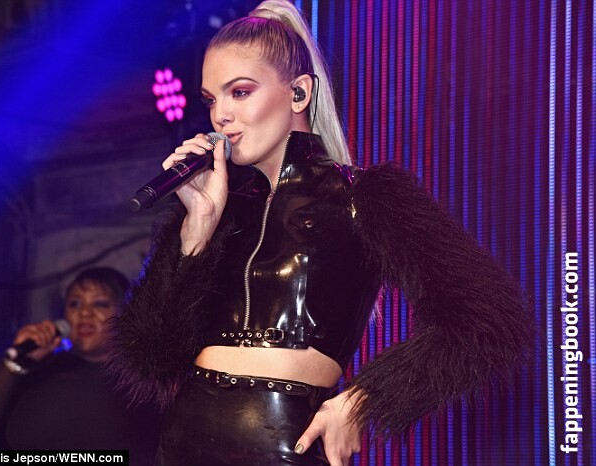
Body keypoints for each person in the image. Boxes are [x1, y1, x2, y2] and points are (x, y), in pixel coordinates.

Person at [110, 1, 532, 465]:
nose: (221, 116)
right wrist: (197, 230)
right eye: (212, 100)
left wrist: (364, 401)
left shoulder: (366, 196)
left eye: (240, 92)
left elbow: (488, 322)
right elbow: (152, 356)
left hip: (286, 444)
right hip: (183, 442)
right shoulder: (218, 207)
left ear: (298, 93)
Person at [0, 267, 160, 464]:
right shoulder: (41, 370)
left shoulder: (144, 382)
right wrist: (14, 364)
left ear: (125, 314)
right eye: (75, 303)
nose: (84, 312)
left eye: (100, 303)